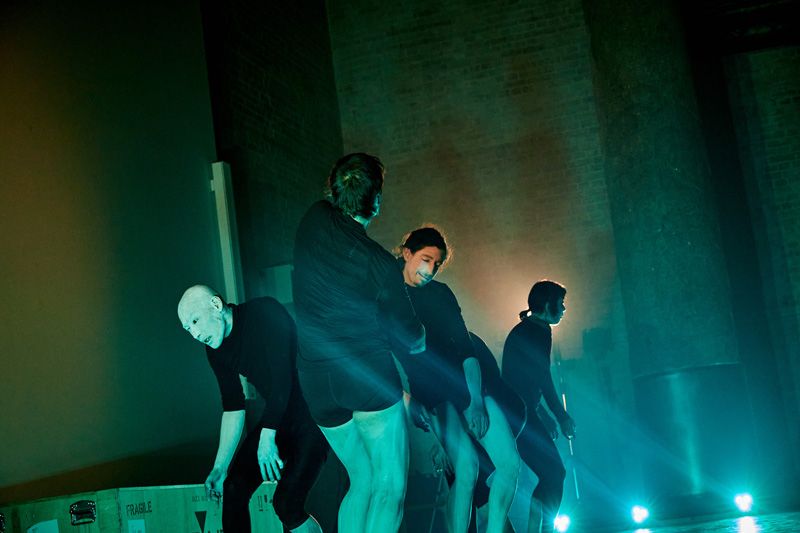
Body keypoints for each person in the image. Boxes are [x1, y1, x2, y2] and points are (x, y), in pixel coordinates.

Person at [292, 153, 426, 533]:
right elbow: (411, 337)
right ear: (376, 202)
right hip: (364, 377)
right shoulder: (381, 265)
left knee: (361, 480)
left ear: (334, 190)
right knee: (389, 486)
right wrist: (421, 335)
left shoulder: (313, 218)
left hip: (316, 381)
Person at [394, 226, 520, 533]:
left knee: (509, 464)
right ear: (407, 253)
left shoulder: (440, 293)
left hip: (466, 383)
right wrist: (416, 410)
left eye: (437, 264)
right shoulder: (389, 296)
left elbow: (466, 348)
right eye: (425, 260)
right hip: (431, 395)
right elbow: (383, 361)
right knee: (466, 469)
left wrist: (476, 401)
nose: (430, 270)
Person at [177, 285, 328, 533]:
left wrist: (267, 438)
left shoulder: (265, 312)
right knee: (233, 488)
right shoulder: (214, 349)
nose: (195, 333)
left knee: (286, 504)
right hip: (280, 418)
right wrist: (220, 467)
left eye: (195, 321)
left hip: (314, 415)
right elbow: (233, 406)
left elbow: (283, 381)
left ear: (216, 305)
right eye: (188, 329)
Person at [502, 280, 576, 533]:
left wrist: (543, 414)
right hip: (518, 414)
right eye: (561, 303)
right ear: (547, 305)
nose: (564, 309)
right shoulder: (538, 331)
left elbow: (528, 379)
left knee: (551, 475)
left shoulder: (529, 329)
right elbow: (542, 378)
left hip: (518, 412)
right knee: (554, 473)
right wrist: (561, 416)